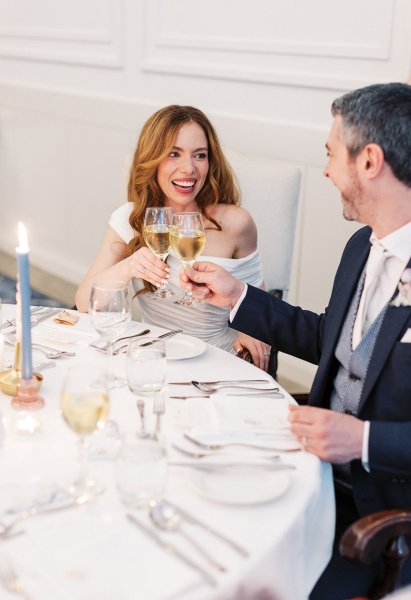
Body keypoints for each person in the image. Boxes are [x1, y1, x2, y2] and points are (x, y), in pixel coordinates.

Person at [179, 83, 411, 599]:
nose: (326, 170)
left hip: (381, 519)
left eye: (332, 154)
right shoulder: (361, 246)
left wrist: (364, 440)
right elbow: (328, 338)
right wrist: (238, 297)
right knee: (190, 526)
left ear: (369, 161)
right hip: (309, 469)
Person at [75, 105, 271, 370]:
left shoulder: (236, 223)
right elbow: (85, 302)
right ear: (152, 159)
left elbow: (259, 302)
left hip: (218, 364)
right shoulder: (131, 219)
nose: (188, 168)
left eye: (199, 156)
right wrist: (130, 265)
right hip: (153, 360)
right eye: (173, 154)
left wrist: (253, 329)